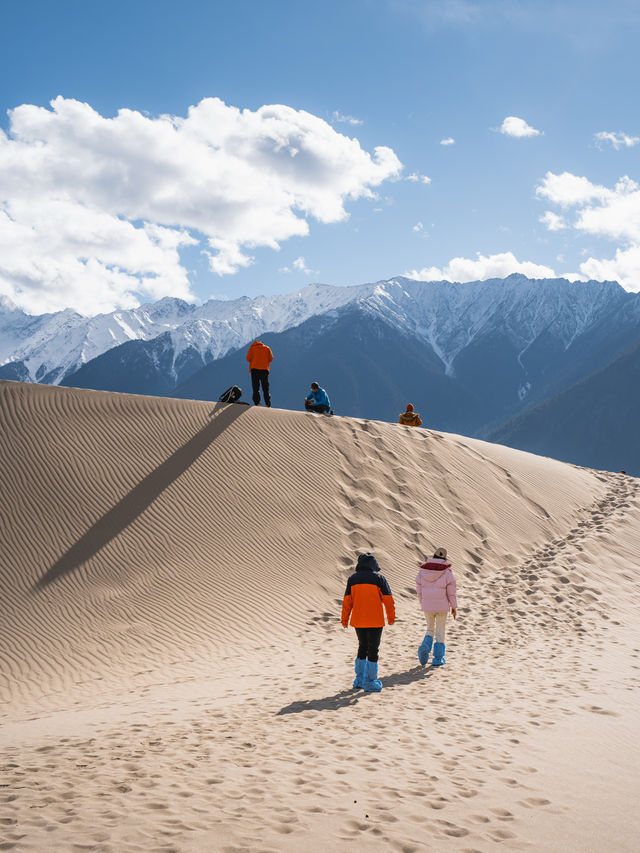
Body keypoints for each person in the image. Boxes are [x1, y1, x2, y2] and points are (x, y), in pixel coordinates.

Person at [341, 553, 395, 692]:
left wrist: (345, 619)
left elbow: (347, 601)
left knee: (362, 647)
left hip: (359, 621)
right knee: (373, 650)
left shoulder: (352, 579)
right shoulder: (379, 578)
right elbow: (388, 599)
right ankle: (370, 682)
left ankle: (359, 680)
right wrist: (391, 617)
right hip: (375, 621)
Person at [415, 547, 457, 667]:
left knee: (430, 629)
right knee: (440, 631)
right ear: (444, 558)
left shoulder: (423, 570)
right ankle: (437, 659)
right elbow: (451, 592)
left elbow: (419, 588)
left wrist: (422, 601)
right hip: (442, 606)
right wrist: (453, 607)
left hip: (427, 605)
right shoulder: (447, 572)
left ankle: (425, 647)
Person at [246, 340, 273, 407]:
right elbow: (271, 359)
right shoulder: (267, 348)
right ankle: (267, 403)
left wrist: (254, 360)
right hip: (264, 370)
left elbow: (248, 359)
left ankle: (257, 403)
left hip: (254, 370)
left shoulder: (252, 348)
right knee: (265, 388)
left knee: (256, 388)